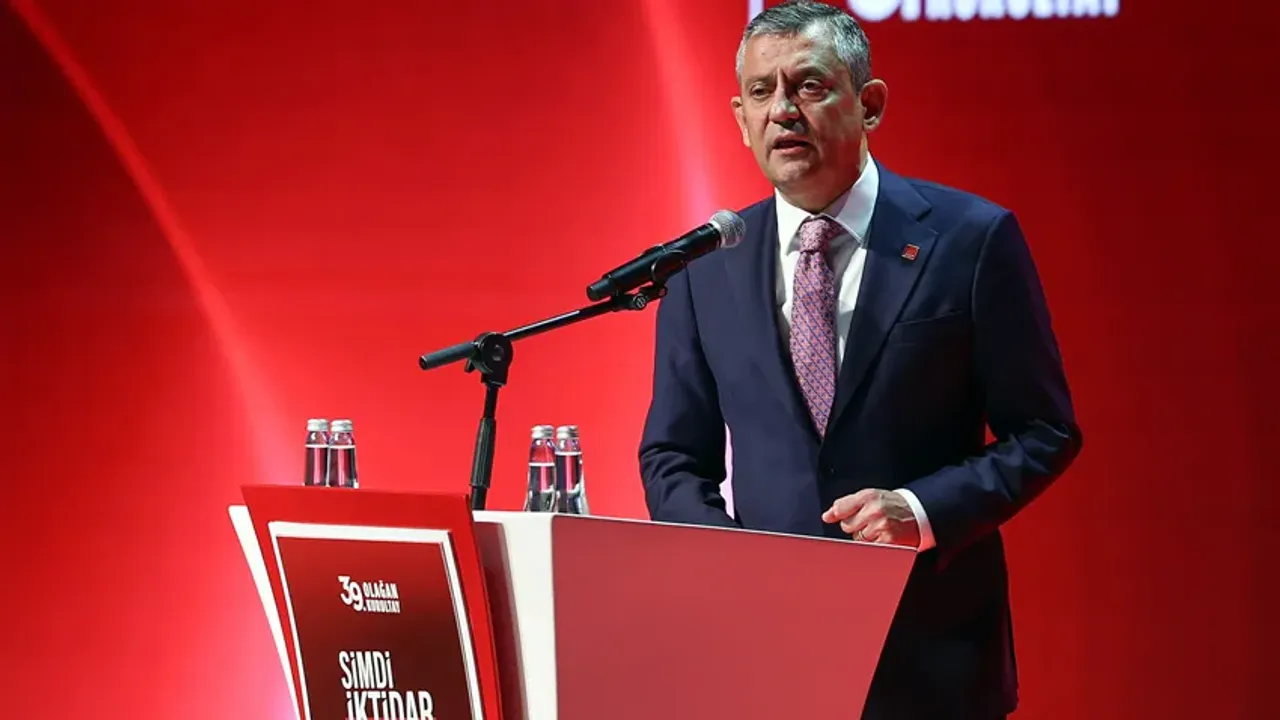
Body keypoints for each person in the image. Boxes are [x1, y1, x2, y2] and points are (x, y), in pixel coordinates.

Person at [637, 1, 1082, 717]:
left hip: (929, 658)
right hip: (763, 657)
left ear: (869, 103)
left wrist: (921, 509)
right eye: (761, 92)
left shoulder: (971, 239)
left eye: (808, 85)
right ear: (741, 119)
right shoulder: (704, 266)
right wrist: (724, 565)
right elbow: (672, 456)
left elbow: (1044, 431)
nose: (783, 110)